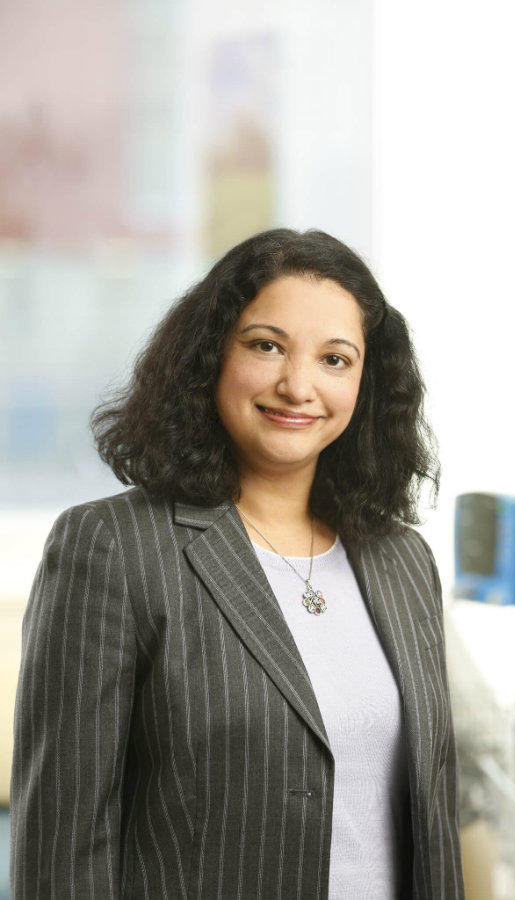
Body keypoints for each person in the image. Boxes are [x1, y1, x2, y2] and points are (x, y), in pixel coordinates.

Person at [10, 227, 465, 900]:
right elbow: (62, 847)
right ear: (210, 356)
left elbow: (433, 826)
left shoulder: (403, 559)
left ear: (367, 384)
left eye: (335, 359)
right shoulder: (113, 547)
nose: (298, 385)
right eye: (266, 346)